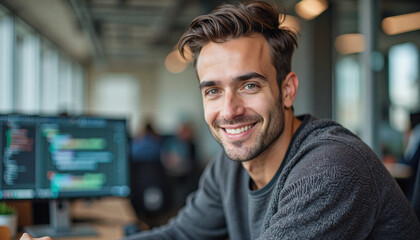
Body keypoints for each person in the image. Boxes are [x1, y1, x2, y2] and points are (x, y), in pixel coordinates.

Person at [21, 1, 420, 240]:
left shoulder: (330, 171)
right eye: (212, 90)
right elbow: (180, 236)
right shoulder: (230, 168)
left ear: (287, 89)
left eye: (248, 85)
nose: (228, 110)